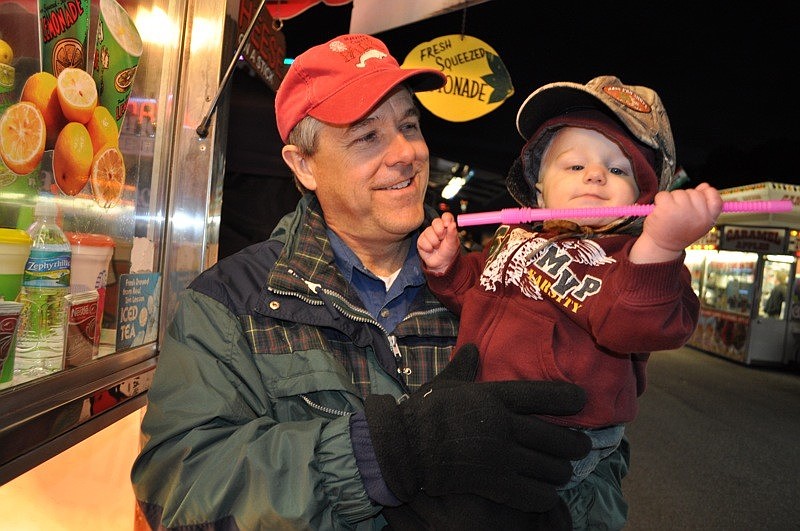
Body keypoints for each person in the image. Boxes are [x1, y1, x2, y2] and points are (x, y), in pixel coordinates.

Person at [130, 33, 592, 530]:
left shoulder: (498, 287)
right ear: (304, 165)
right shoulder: (230, 304)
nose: (405, 152)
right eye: (367, 136)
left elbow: (599, 457)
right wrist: (381, 455)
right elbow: (178, 487)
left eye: (409, 125)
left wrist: (548, 515)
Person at [417, 75, 724, 530]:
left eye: (618, 170)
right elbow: (475, 294)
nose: (595, 174)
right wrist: (448, 268)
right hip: (491, 417)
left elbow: (635, 322)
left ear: (644, 199)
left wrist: (661, 247)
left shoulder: (632, 259)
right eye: (574, 165)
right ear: (539, 190)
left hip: (566, 435)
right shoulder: (514, 239)